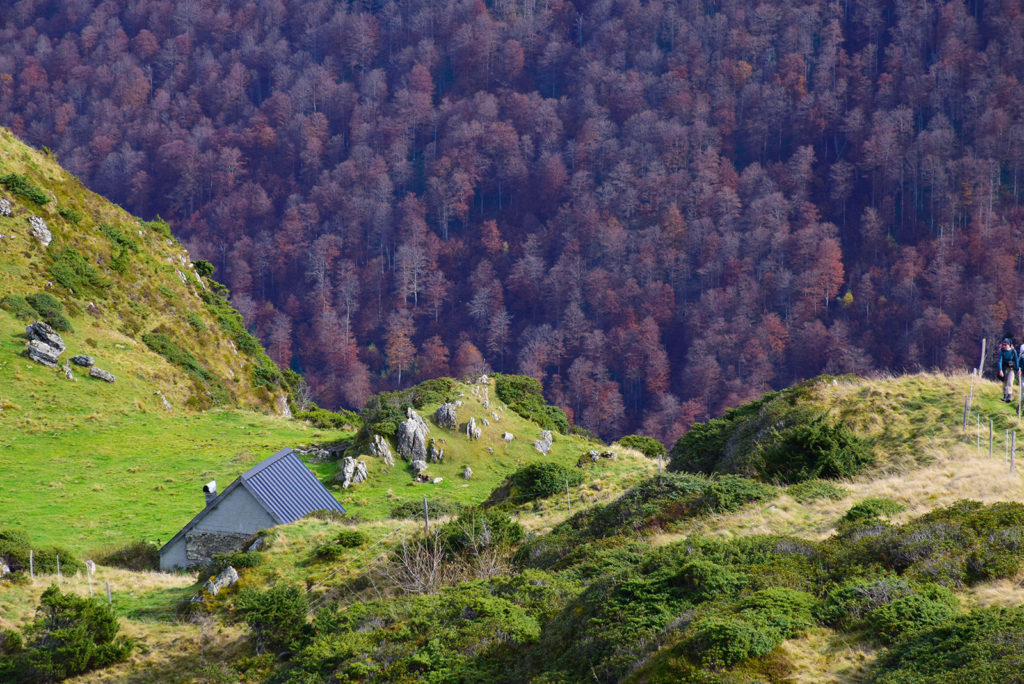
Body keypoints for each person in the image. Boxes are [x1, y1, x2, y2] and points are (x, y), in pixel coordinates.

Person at [998, 338, 1020, 402]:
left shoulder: (1013, 351)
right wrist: (1000, 370)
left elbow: (1016, 361)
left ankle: (1009, 395)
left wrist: (1018, 369)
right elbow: (999, 361)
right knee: (1005, 381)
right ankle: (1005, 395)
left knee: (1010, 381)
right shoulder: (1002, 351)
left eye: (1005, 345)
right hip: (1004, 368)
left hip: (1011, 368)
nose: (1004, 346)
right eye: (1003, 345)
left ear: (1009, 345)